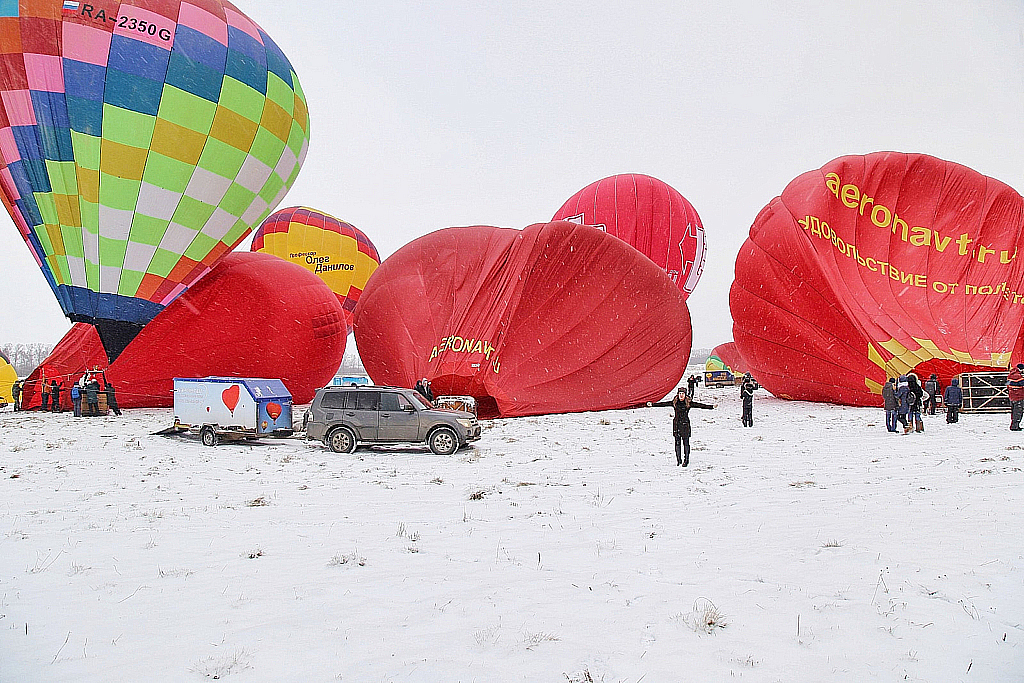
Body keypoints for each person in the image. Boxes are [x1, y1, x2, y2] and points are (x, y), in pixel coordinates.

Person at [671, 387, 714, 466]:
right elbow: (662, 404)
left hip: (685, 425)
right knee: (677, 443)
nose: (681, 395)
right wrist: (651, 404)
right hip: (676, 425)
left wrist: (711, 407)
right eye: (680, 393)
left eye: (683, 393)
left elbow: (700, 405)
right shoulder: (675, 402)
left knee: (686, 443)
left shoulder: (688, 403)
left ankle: (686, 460)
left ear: (685, 395)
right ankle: (678, 460)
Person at [1007, 363, 1024, 431]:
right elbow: (1022, 383)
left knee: (1014, 411)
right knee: (1018, 412)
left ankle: (1014, 425)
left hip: (1012, 396)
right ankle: (1015, 426)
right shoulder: (1017, 376)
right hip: (1018, 396)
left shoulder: (1010, 374)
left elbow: (1007, 384)